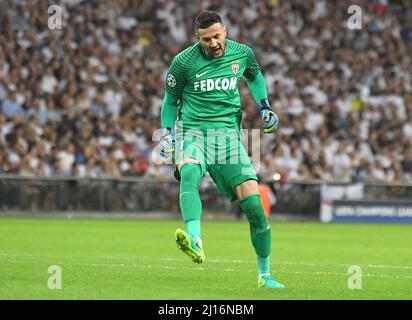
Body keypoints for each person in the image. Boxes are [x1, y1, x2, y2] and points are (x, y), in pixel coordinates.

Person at [159, 10, 284, 289]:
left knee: (254, 207)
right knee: (189, 170)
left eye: (216, 36)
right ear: (197, 38)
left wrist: (265, 107)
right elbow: (169, 102)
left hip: (228, 139)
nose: (213, 43)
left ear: (225, 31)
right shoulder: (183, 63)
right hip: (193, 133)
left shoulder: (242, 53)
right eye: (206, 39)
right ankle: (195, 238)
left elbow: (254, 76)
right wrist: (167, 134)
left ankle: (265, 275)